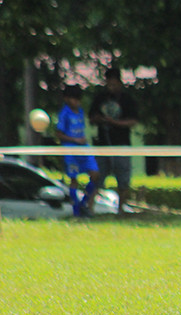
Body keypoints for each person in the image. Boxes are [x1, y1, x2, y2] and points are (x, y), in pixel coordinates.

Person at [89, 67, 139, 213]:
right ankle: (89, 208)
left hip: (122, 144)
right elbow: (91, 117)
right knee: (97, 177)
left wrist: (115, 122)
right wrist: (100, 119)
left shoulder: (127, 99)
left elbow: (133, 121)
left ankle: (121, 209)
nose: (111, 87)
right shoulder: (100, 98)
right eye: (109, 84)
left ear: (120, 82)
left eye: (114, 83)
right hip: (102, 145)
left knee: (123, 179)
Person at [55, 85, 101, 216]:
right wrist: (75, 140)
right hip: (70, 150)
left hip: (84, 148)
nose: (77, 102)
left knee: (95, 173)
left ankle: (83, 203)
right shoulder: (64, 114)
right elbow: (59, 134)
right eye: (74, 99)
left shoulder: (80, 111)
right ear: (67, 99)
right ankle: (76, 211)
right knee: (74, 179)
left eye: (78, 99)